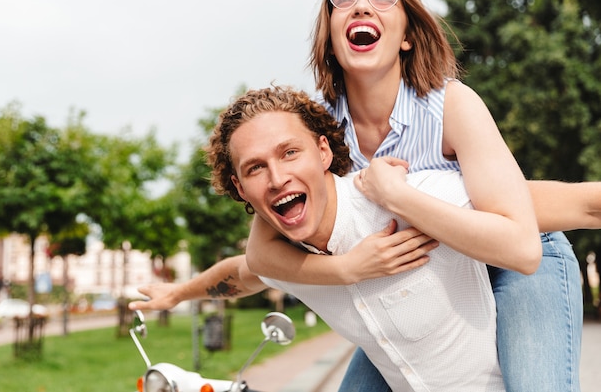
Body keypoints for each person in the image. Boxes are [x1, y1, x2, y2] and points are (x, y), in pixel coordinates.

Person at [242, 0, 589, 391]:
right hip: (431, 276)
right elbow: (259, 254)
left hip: (516, 261)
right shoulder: (317, 132)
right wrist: (347, 268)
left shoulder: (451, 106)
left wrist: (397, 196)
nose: (362, 6)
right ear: (330, 36)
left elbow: (528, 238)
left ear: (407, 35)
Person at [129, 86, 601, 391]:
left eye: (289, 153)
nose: (275, 178)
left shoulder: (401, 198)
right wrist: (176, 293)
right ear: (239, 188)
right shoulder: (283, 259)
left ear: (321, 150)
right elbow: (237, 274)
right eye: (255, 168)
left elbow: (575, 205)